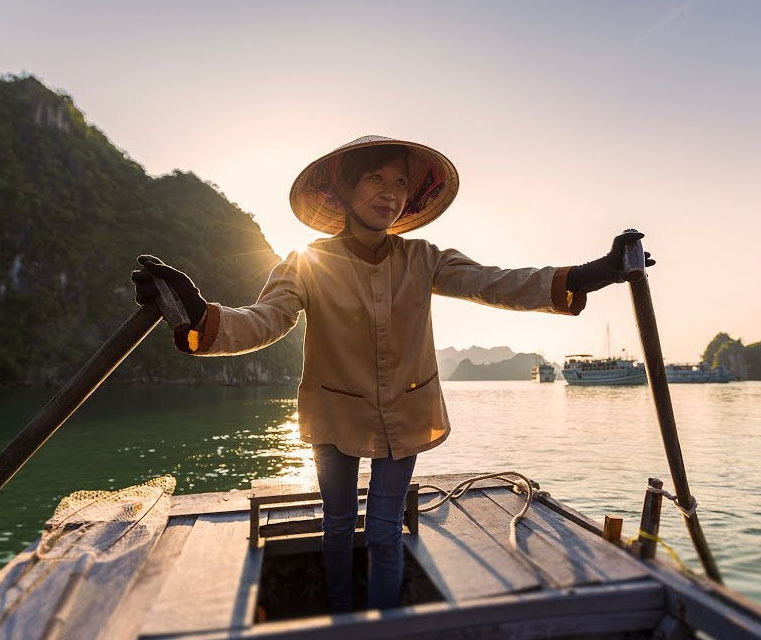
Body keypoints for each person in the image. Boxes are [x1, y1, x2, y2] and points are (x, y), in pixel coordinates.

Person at [131, 135, 654, 613]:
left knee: (384, 533)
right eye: (376, 180)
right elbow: (266, 320)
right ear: (345, 190)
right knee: (336, 528)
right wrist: (202, 318)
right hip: (334, 412)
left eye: (400, 183)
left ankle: (385, 622)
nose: (390, 194)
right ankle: (341, 614)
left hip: (404, 414)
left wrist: (590, 274)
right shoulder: (306, 262)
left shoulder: (423, 258)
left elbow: (496, 283)